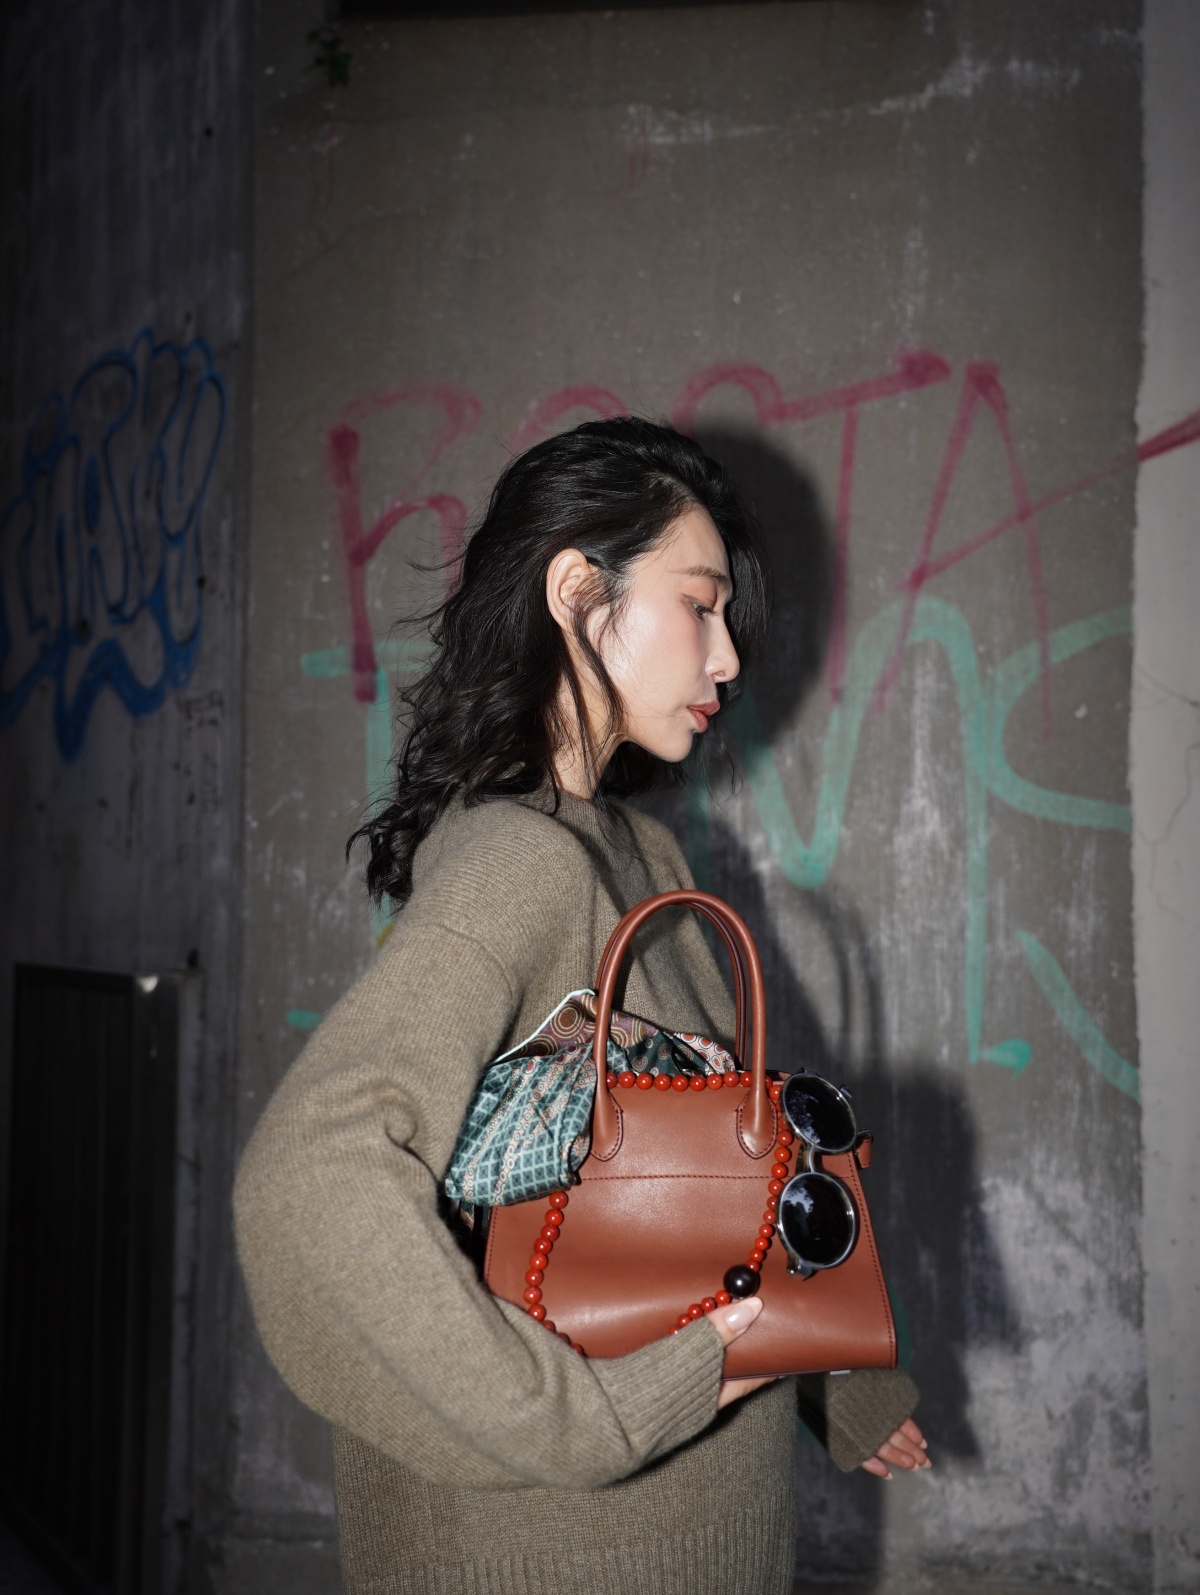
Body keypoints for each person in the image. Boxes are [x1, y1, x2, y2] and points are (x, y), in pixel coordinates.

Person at [234, 418, 930, 1595]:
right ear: (576, 591)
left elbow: (707, 1180)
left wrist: (831, 1373)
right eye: (700, 605)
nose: (728, 658)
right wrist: (587, 1415)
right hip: (557, 1553)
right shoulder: (521, 862)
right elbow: (309, 1177)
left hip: (694, 1540)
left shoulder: (642, 855)